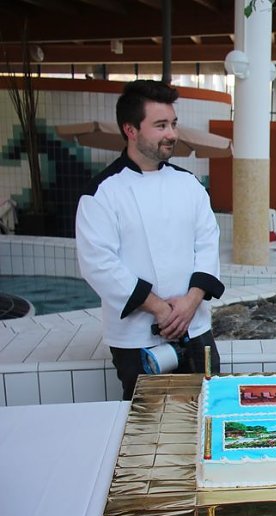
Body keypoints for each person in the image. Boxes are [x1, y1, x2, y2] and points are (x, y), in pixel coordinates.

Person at [76, 80, 224, 400]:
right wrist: (159, 308)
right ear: (130, 130)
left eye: (173, 124)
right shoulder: (102, 193)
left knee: (210, 410)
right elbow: (98, 264)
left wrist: (190, 302)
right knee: (149, 420)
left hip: (195, 327)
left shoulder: (189, 185)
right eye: (160, 125)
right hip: (136, 338)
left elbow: (208, 243)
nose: (171, 134)